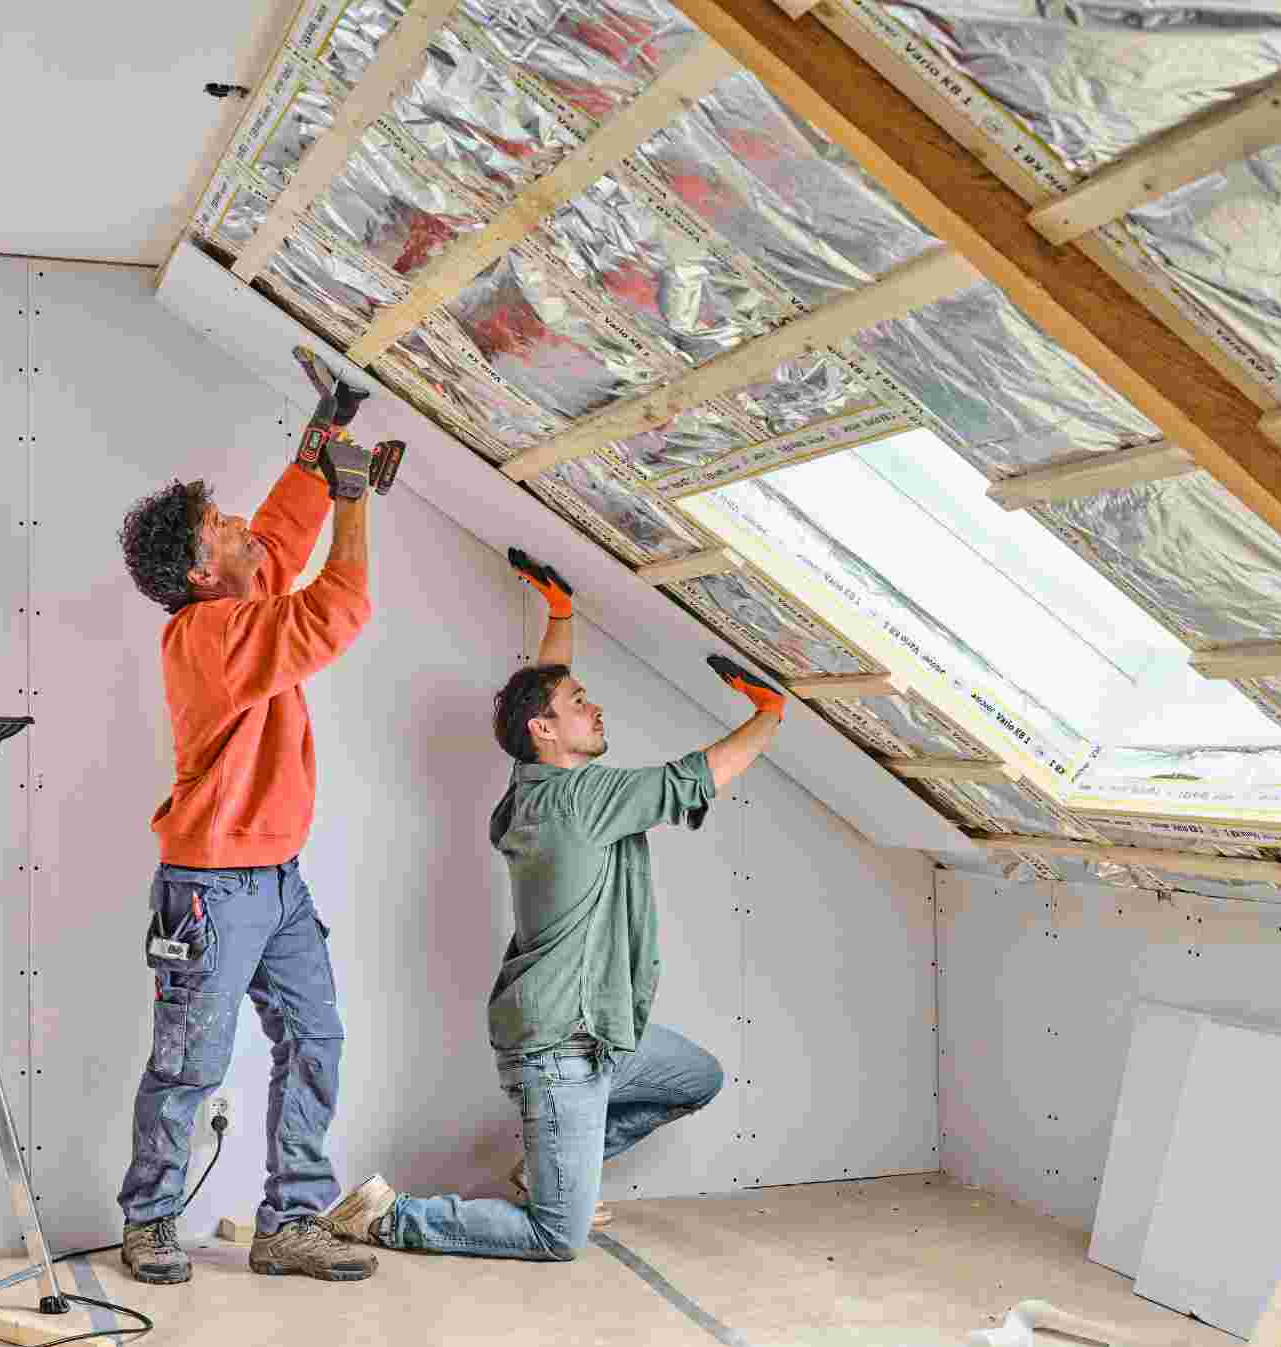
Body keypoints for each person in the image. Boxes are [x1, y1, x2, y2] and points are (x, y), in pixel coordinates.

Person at [323, 548, 786, 1261]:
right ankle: (388, 1217)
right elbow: (696, 777)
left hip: (599, 1032)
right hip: (560, 1051)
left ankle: (558, 1168)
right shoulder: (582, 800)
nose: (594, 708)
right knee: (556, 1237)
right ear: (545, 730)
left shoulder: (532, 786)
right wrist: (771, 714)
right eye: (580, 704)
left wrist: (561, 616)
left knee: (697, 1078)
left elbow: (542, 699)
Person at [113, 353, 383, 1285]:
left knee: (315, 1041)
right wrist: (355, 500)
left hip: (277, 880)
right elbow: (337, 608)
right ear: (200, 571)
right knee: (191, 1063)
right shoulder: (209, 635)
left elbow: (279, 530)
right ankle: (149, 1222)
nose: (239, 528)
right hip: (211, 891)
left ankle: (291, 1222)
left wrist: (327, 431)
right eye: (219, 528)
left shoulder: (239, 594)